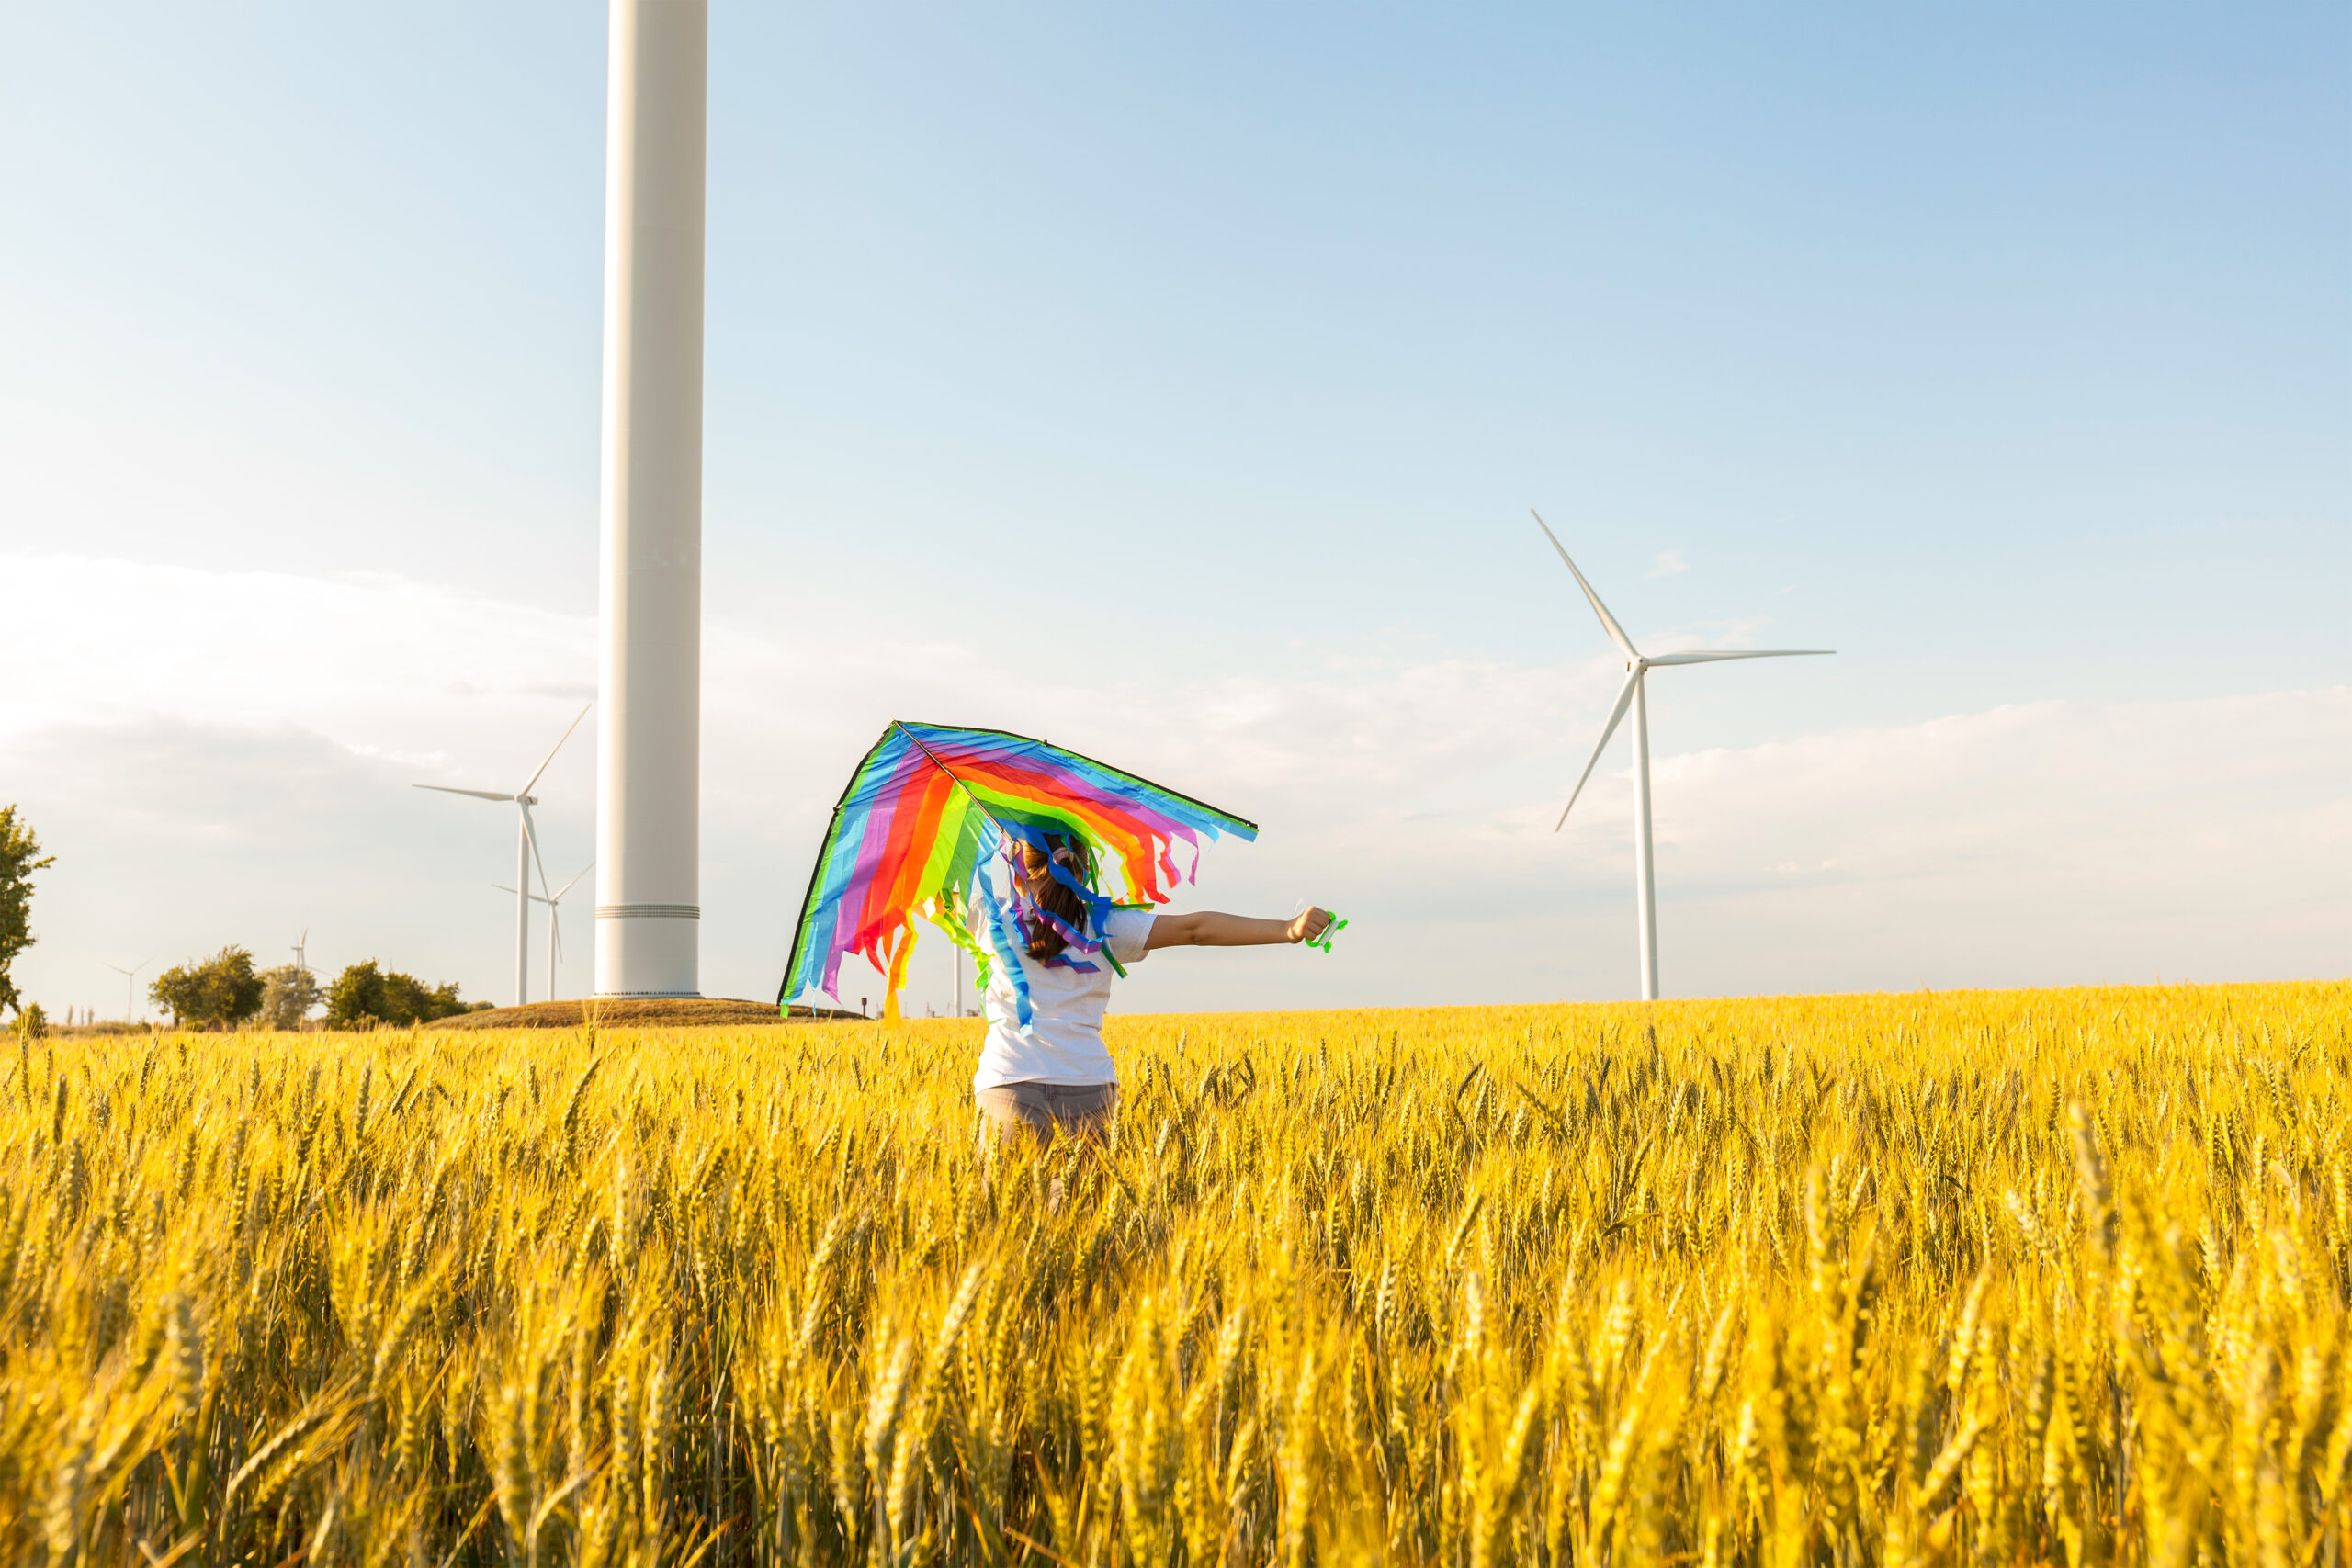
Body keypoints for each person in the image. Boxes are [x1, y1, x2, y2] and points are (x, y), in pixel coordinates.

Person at [971, 831, 1333, 1146]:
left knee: (1004, 1224)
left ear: (1017, 878)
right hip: (1088, 1088)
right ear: (1084, 872)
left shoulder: (991, 922)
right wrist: (1288, 929)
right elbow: (1197, 929)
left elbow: (922, 892)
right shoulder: (1107, 925)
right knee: (1085, 1222)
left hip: (1008, 1086)